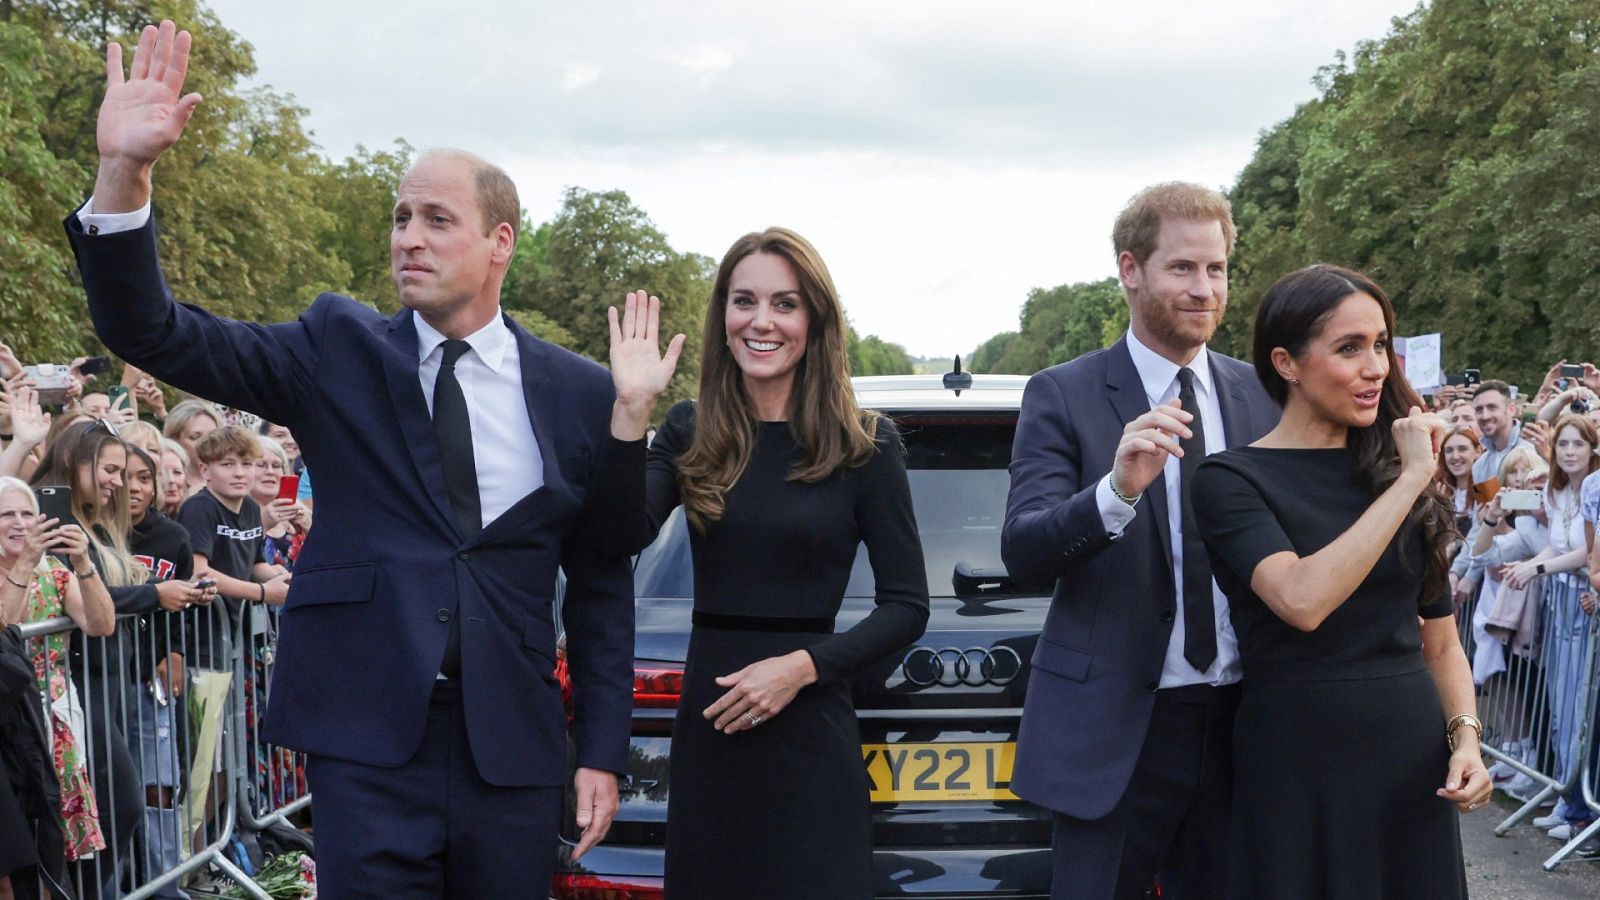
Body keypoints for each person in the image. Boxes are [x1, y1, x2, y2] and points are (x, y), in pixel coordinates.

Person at [68, 21, 638, 897]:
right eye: (401, 216)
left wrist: (600, 750)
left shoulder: (578, 392)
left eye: (438, 220)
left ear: (502, 243)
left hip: (515, 747)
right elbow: (154, 331)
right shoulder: (334, 347)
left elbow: (600, 582)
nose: (409, 236)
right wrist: (125, 174)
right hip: (368, 740)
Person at [606, 228, 930, 898]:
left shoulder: (865, 443)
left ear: (813, 320)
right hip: (713, 731)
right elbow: (617, 536)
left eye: (784, 304)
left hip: (811, 731)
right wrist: (632, 411)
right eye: (744, 300)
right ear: (722, 314)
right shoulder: (692, 429)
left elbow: (907, 606)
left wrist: (801, 669)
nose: (762, 321)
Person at [1001, 182, 1279, 899]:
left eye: (1216, 269)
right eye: (1182, 268)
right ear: (1131, 270)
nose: (1204, 288)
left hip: (1244, 731)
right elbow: (1026, 551)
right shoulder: (1063, 394)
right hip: (1118, 737)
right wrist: (1117, 490)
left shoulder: (1259, 395)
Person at [1190, 264, 1488, 898]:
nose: (1376, 366)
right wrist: (1411, 481)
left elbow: (1440, 643)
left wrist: (1466, 740)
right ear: (1288, 363)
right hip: (1296, 760)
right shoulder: (1231, 479)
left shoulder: (1391, 470)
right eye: (1350, 348)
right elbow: (1302, 600)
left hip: (1409, 759)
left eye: (1380, 344)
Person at [0, 476, 117, 867]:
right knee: (18, 848)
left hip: (56, 722)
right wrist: (24, 565)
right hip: (9, 727)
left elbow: (101, 624)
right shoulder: (29, 567)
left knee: (55, 841)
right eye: (6, 515)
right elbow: (7, 632)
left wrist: (83, 562)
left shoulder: (53, 571)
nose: (19, 523)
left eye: (28, 514)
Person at [1500, 414, 1600, 842]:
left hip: (1582, 608)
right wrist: (1528, 564)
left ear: (1593, 448)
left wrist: (1536, 568)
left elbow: (1585, 553)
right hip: (1559, 606)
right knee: (1559, 709)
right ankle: (1567, 797)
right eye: (1564, 445)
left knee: (1579, 711)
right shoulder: (1556, 489)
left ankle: (1580, 806)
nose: (1571, 452)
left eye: (1579, 444)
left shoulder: (1595, 490)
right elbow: (1556, 544)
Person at [161, 400, 219, 497]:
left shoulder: (231, 481)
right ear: (173, 441)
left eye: (213, 437)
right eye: (195, 437)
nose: (207, 443)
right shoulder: (166, 485)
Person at [1439, 424, 1482, 537]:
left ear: (1478, 451)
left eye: (1462, 449)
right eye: (1449, 450)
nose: (1455, 456)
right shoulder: (1440, 490)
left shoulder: (1483, 488)